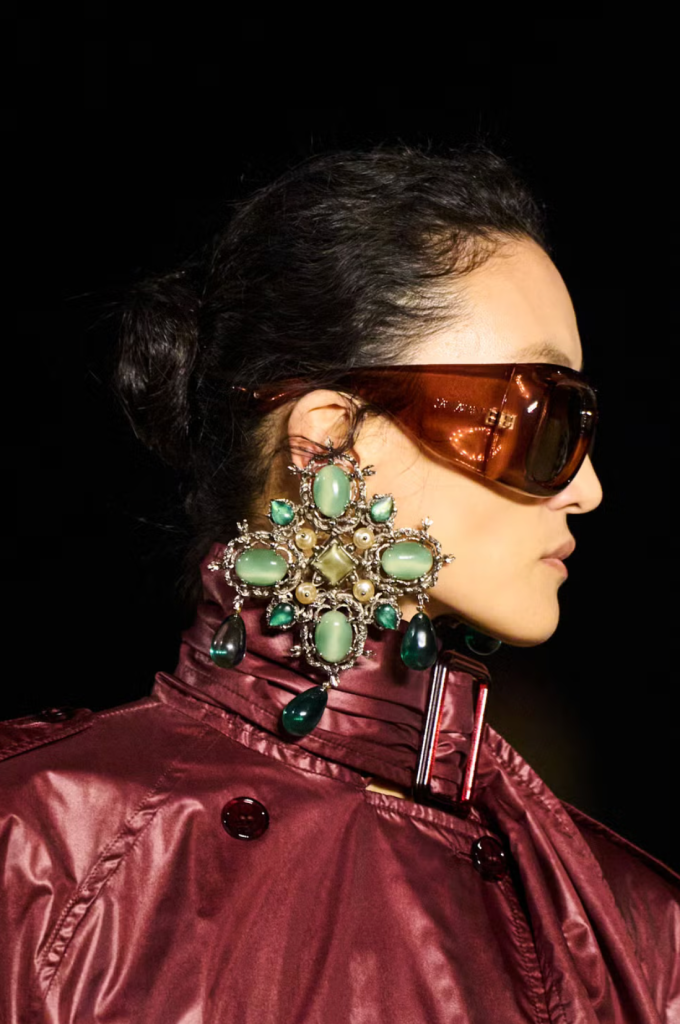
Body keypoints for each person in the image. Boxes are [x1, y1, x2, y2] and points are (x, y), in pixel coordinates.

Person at [1, 146, 678, 1023]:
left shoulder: (637, 937)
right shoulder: (41, 851)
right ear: (330, 439)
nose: (586, 488)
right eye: (543, 419)